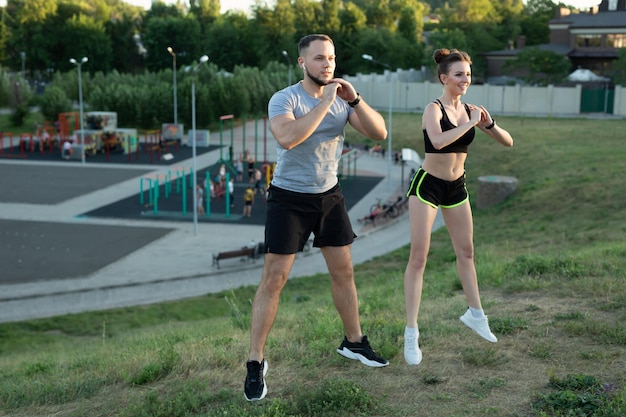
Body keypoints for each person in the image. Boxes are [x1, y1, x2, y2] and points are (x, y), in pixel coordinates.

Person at [244, 33, 389, 402]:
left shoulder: (342, 99)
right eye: (319, 59)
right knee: (274, 279)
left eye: (331, 58)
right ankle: (255, 362)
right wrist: (325, 102)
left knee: (344, 272)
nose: (328, 65)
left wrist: (353, 99)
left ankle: (354, 342)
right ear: (302, 63)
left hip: (329, 196)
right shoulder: (285, 98)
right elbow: (288, 138)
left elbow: (380, 132)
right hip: (289, 198)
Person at [402, 48, 514, 366]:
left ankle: (476, 314)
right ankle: (411, 332)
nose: (465, 79)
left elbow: (508, 142)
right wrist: (470, 123)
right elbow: (437, 141)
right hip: (427, 187)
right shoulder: (433, 109)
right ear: (444, 78)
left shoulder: (472, 110)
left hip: (456, 187)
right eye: (459, 74)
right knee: (419, 258)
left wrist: (488, 123)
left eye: (468, 74)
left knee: (466, 253)